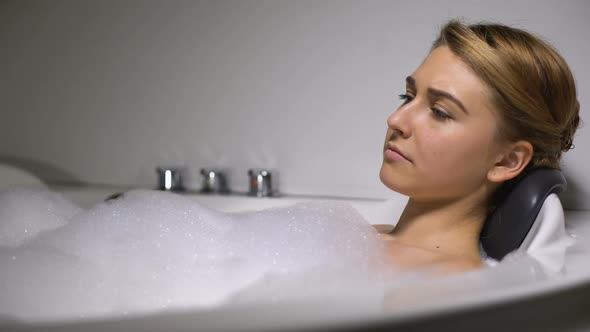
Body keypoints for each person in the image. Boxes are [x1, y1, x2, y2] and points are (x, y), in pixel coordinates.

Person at [377, 20, 580, 273]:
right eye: (407, 97)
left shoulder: (439, 286)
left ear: (506, 161)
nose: (396, 120)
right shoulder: (364, 241)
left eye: (440, 112)